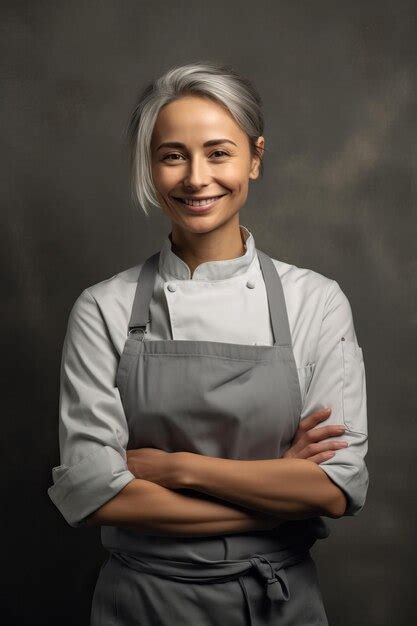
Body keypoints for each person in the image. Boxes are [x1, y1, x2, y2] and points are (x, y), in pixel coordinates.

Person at [47, 60, 369, 625]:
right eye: (173, 155)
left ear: (256, 158)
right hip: (143, 603)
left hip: (280, 604)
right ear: (151, 167)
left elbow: (336, 487)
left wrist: (175, 470)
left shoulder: (315, 301)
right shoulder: (103, 308)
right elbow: (96, 495)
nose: (197, 178)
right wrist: (276, 498)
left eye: (219, 152)